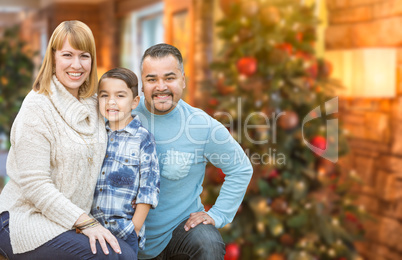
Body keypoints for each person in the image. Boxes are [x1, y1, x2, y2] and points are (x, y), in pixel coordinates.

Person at [0, 21, 136, 259]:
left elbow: (130, 102)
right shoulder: (37, 107)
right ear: (53, 58)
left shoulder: (95, 103)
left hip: (69, 220)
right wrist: (87, 223)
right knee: (113, 256)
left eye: (84, 56)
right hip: (24, 220)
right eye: (67, 55)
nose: (76, 65)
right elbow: (36, 186)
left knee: (126, 251)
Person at [134, 43, 253, 259]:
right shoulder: (123, 114)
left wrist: (218, 214)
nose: (161, 87)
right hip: (125, 234)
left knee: (208, 243)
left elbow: (240, 168)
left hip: (178, 233)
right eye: (152, 79)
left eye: (169, 78)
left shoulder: (201, 126)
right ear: (142, 84)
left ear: (183, 80)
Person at [91, 67, 160, 259]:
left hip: (123, 231)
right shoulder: (96, 135)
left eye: (120, 96)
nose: (111, 102)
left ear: (134, 101)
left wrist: (134, 229)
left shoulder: (143, 139)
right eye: (104, 95)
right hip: (92, 229)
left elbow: (149, 189)